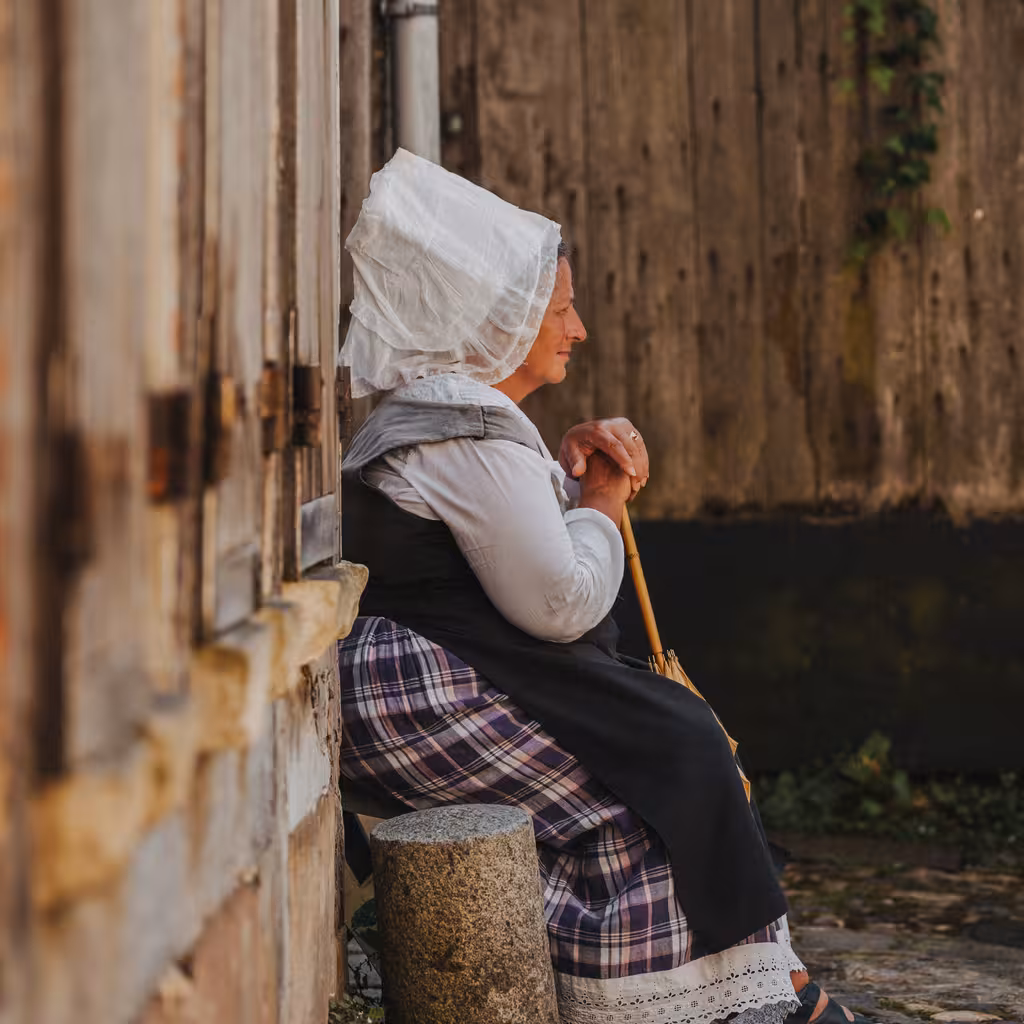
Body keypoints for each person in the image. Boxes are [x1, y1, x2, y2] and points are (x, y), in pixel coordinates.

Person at [338, 148, 867, 1024]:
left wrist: (562, 471)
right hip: (427, 690)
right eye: (560, 308)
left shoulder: (450, 420)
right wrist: (603, 501)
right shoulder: (467, 433)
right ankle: (715, 1003)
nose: (577, 328)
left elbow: (495, 540)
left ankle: (772, 986)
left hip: (425, 671)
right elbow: (560, 601)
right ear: (499, 319)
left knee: (677, 743)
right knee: (659, 774)